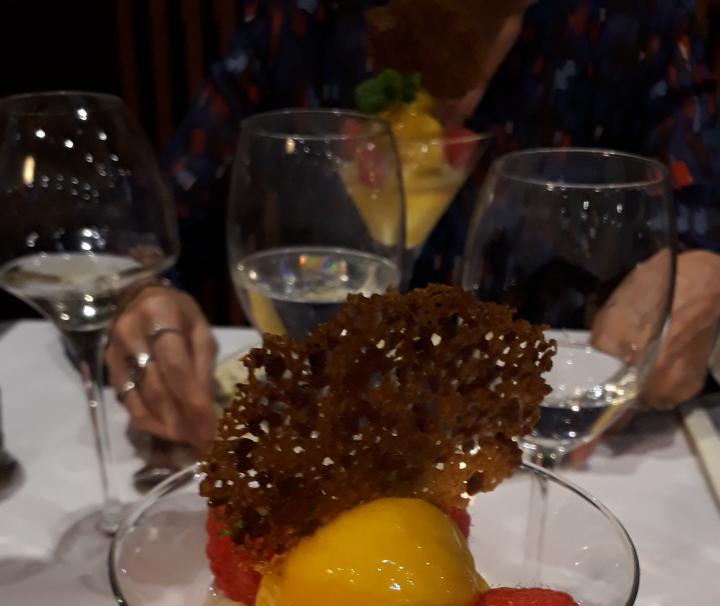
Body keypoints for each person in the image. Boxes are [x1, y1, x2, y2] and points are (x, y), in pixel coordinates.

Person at [106, 0, 720, 448]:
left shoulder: (635, 22)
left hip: (539, 426)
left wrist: (702, 273)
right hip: (321, 419)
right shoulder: (301, 19)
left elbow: (706, 208)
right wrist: (143, 294)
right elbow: (151, 226)